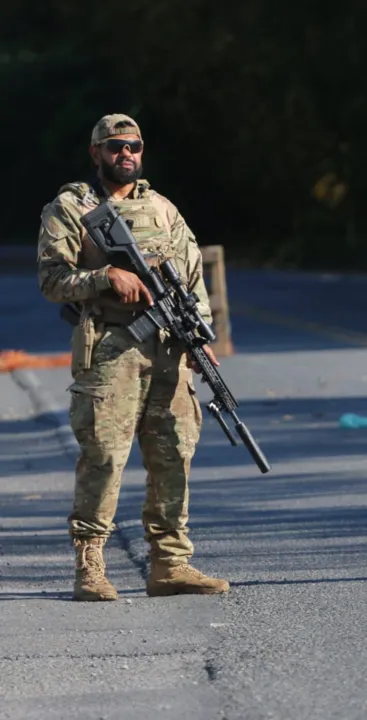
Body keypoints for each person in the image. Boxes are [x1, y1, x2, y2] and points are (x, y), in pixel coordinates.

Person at [36, 113, 229, 601]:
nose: (127, 154)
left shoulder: (163, 210)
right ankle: (91, 567)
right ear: (96, 152)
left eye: (134, 146)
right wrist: (105, 278)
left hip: (168, 350)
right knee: (103, 456)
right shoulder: (71, 208)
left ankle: (170, 564)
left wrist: (201, 333)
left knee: (174, 455)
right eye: (116, 146)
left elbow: (191, 280)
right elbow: (51, 280)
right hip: (110, 348)